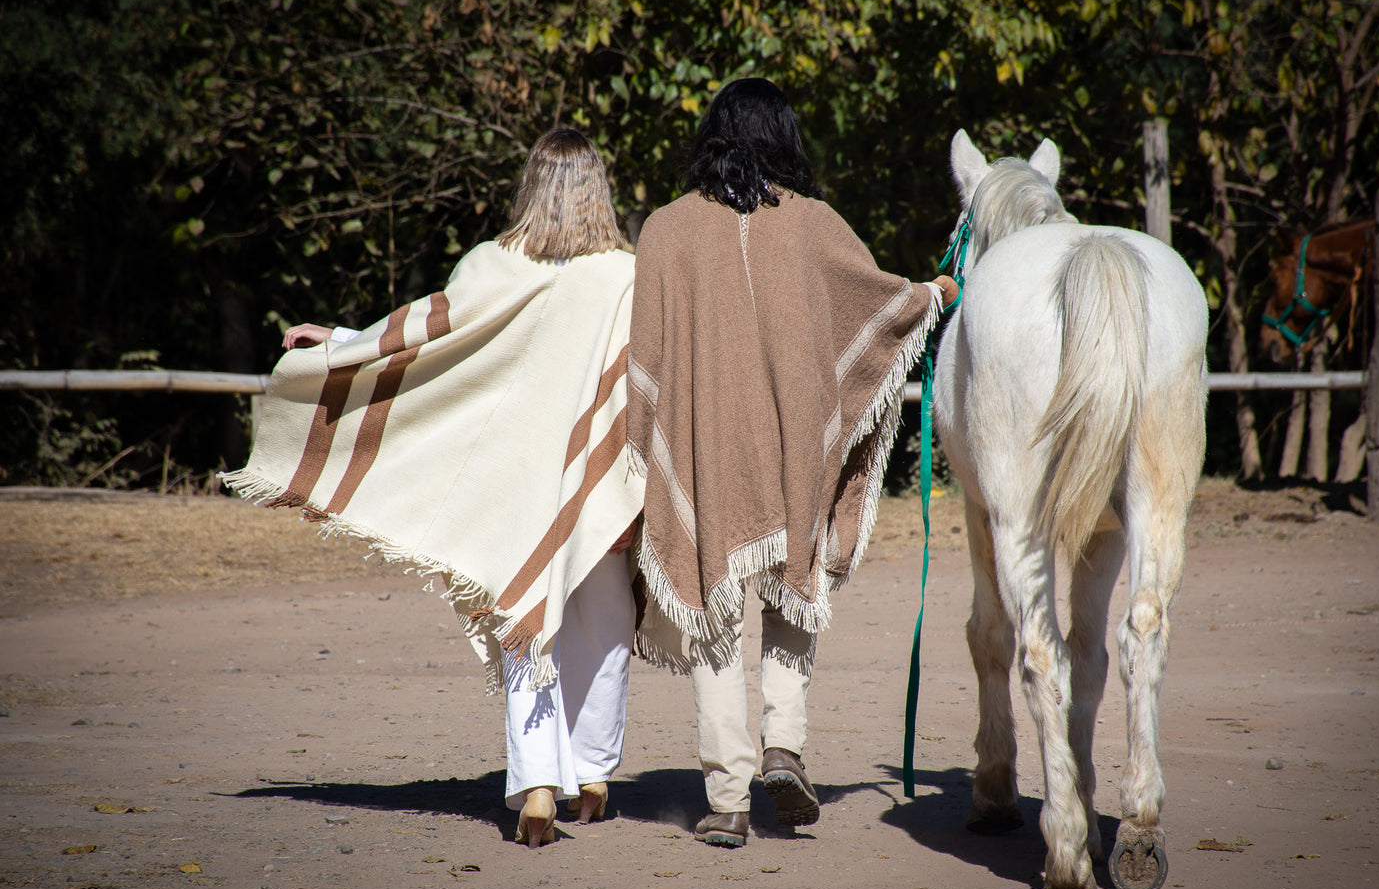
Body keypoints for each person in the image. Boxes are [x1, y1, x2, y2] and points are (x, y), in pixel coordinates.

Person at [223, 128, 643, 849]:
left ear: (531, 186)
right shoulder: (626, 275)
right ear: (598, 190)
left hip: (513, 485)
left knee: (523, 623)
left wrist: (346, 342)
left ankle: (539, 781)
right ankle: (595, 772)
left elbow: (428, 343)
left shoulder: (492, 264)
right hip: (597, 482)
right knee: (603, 621)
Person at [626, 78, 959, 847]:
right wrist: (931, 292)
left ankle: (726, 797)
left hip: (705, 446)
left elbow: (643, 355)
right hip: (793, 446)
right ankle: (784, 743)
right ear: (784, 137)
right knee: (790, 591)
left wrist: (636, 447)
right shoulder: (814, 224)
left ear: (711, 136)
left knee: (711, 605)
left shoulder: (666, 231)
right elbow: (874, 303)